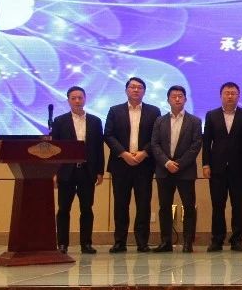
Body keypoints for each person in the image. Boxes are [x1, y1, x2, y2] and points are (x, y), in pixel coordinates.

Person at [104, 76, 161, 253]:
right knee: (121, 204)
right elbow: (108, 135)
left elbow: (157, 136)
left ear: (144, 91)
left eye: (139, 87)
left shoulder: (154, 111)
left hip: (144, 164)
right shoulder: (115, 111)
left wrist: (144, 152)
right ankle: (119, 241)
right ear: (126, 90)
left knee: (143, 204)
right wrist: (124, 153)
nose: (136, 90)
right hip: (121, 164)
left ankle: (142, 242)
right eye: (132, 87)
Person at [150, 85, 202, 253]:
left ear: (185, 99)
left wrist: (178, 164)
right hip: (164, 170)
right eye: (174, 96)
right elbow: (154, 144)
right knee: (164, 207)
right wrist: (167, 163)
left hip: (185, 171)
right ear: (168, 100)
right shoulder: (160, 121)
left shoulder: (195, 121)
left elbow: (196, 146)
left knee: (189, 207)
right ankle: (166, 242)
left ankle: (188, 242)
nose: (177, 99)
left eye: (180, 96)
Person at [53, 86, 104, 255]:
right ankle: (62, 244)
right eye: (73, 98)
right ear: (68, 100)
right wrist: (54, 172)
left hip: (87, 171)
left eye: (80, 97)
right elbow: (55, 149)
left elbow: (98, 148)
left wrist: (100, 171)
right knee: (63, 209)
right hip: (66, 171)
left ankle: (86, 244)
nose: (77, 101)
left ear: (85, 99)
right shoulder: (60, 121)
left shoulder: (95, 121)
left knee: (87, 209)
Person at [202, 81, 242, 252]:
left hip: (239, 169)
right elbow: (207, 142)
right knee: (218, 205)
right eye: (227, 93)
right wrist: (205, 164)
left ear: (238, 96)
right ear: (221, 95)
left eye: (233, 93)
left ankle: (237, 240)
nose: (230, 96)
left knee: (238, 205)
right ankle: (217, 239)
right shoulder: (211, 115)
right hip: (217, 168)